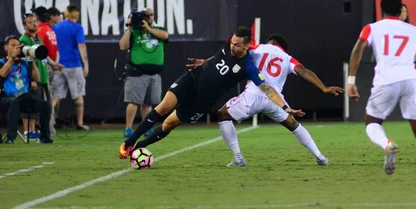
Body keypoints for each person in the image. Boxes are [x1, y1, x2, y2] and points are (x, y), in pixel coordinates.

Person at [118, 26, 301, 158]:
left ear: (246, 47)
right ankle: (129, 142)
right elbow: (219, 56)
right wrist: (206, 61)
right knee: (164, 106)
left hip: (203, 101)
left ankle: (140, 146)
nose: (232, 46)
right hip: (192, 80)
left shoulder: (249, 68)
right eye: (232, 42)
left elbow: (268, 89)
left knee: (168, 124)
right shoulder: (229, 43)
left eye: (237, 45)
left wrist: (285, 107)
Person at [209, 34, 343, 166]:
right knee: (294, 125)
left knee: (223, 114)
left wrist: (207, 62)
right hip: (275, 100)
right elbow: (303, 71)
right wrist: (323, 88)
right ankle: (320, 156)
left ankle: (238, 158)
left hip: (253, 95)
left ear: (271, 43)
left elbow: (233, 54)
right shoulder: (288, 58)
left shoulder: (259, 48)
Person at [346, 0, 416, 183]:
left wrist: (351, 80)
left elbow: (358, 48)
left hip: (386, 80)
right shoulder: (415, 31)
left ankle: (386, 144)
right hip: (410, 79)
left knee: (372, 122)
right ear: (400, 12)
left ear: (382, 12)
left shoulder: (372, 28)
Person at [119, 7, 169, 138]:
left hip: (154, 74)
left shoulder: (158, 29)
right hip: (137, 72)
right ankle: (128, 128)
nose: (149, 17)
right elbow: (123, 46)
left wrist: (149, 28)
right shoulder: (135, 31)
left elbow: (165, 36)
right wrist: (130, 27)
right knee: (133, 101)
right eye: (146, 15)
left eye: (151, 15)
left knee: (148, 103)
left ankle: (146, 128)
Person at [0, 36, 54, 144]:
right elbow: (2, 74)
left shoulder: (24, 63)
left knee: (45, 105)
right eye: (13, 45)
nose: (16, 48)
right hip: (7, 98)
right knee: (14, 102)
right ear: (6, 48)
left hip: (24, 98)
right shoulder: (1, 62)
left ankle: (45, 137)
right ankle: (11, 137)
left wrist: (32, 61)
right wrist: (12, 58)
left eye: (18, 45)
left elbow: (37, 78)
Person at [52, 5, 90, 131]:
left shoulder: (56, 27)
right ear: (77, 15)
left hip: (58, 65)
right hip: (74, 65)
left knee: (55, 96)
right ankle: (79, 123)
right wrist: (86, 63)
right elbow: (81, 46)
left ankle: (49, 123)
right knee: (78, 95)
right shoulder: (77, 28)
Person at [19, 13, 50, 139]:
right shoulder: (23, 40)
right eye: (30, 22)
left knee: (38, 105)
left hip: (42, 76)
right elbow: (24, 61)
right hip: (31, 79)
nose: (34, 24)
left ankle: (34, 129)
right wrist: (31, 79)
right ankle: (27, 130)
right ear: (25, 25)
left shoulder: (38, 38)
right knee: (29, 104)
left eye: (35, 21)